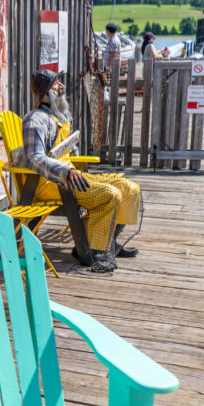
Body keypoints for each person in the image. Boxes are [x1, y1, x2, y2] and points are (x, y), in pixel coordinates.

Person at [22, 69, 142, 273]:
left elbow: (65, 147)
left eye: (60, 82)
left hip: (70, 177)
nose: (62, 86)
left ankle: (108, 243)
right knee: (110, 195)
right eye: (55, 84)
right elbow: (35, 158)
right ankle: (92, 250)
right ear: (43, 92)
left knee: (130, 188)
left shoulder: (59, 116)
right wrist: (65, 171)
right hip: (52, 183)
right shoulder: (35, 120)